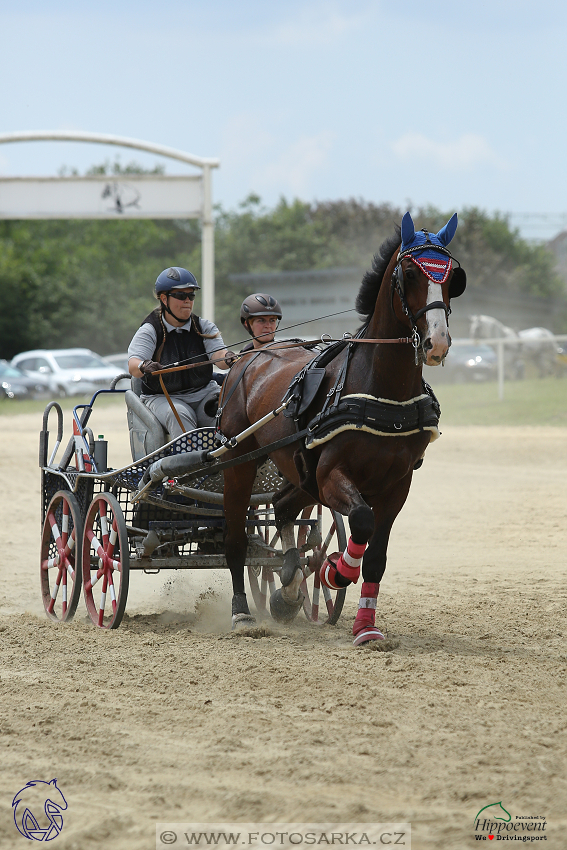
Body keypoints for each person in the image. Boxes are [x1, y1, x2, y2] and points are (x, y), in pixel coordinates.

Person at [128, 267, 236, 437]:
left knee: (230, 411)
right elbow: (133, 366)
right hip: (162, 398)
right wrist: (144, 365)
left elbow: (219, 359)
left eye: (191, 295)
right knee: (179, 414)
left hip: (204, 393)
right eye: (180, 295)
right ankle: (192, 462)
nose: (187, 300)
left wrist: (228, 357)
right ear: (164, 299)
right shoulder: (149, 330)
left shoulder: (204, 327)